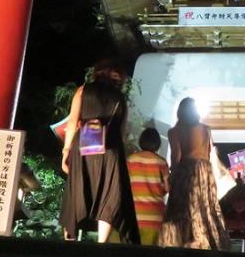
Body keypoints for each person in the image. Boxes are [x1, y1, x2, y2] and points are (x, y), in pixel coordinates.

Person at [59, 61, 139, 244]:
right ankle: (101, 243)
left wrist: (66, 151)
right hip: (110, 149)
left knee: (77, 190)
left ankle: (69, 238)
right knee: (109, 196)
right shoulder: (120, 98)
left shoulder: (83, 90)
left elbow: (72, 122)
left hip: (84, 146)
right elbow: (122, 131)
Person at [159, 97, 231, 251]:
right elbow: (209, 151)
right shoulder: (206, 129)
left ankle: (182, 240)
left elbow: (176, 156)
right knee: (205, 208)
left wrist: (172, 174)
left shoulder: (174, 131)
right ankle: (206, 241)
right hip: (205, 172)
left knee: (183, 208)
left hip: (186, 171)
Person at [127, 127, 170, 245]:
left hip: (134, 217)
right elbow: (167, 188)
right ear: (158, 144)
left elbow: (125, 187)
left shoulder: (130, 160)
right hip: (156, 218)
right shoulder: (162, 162)